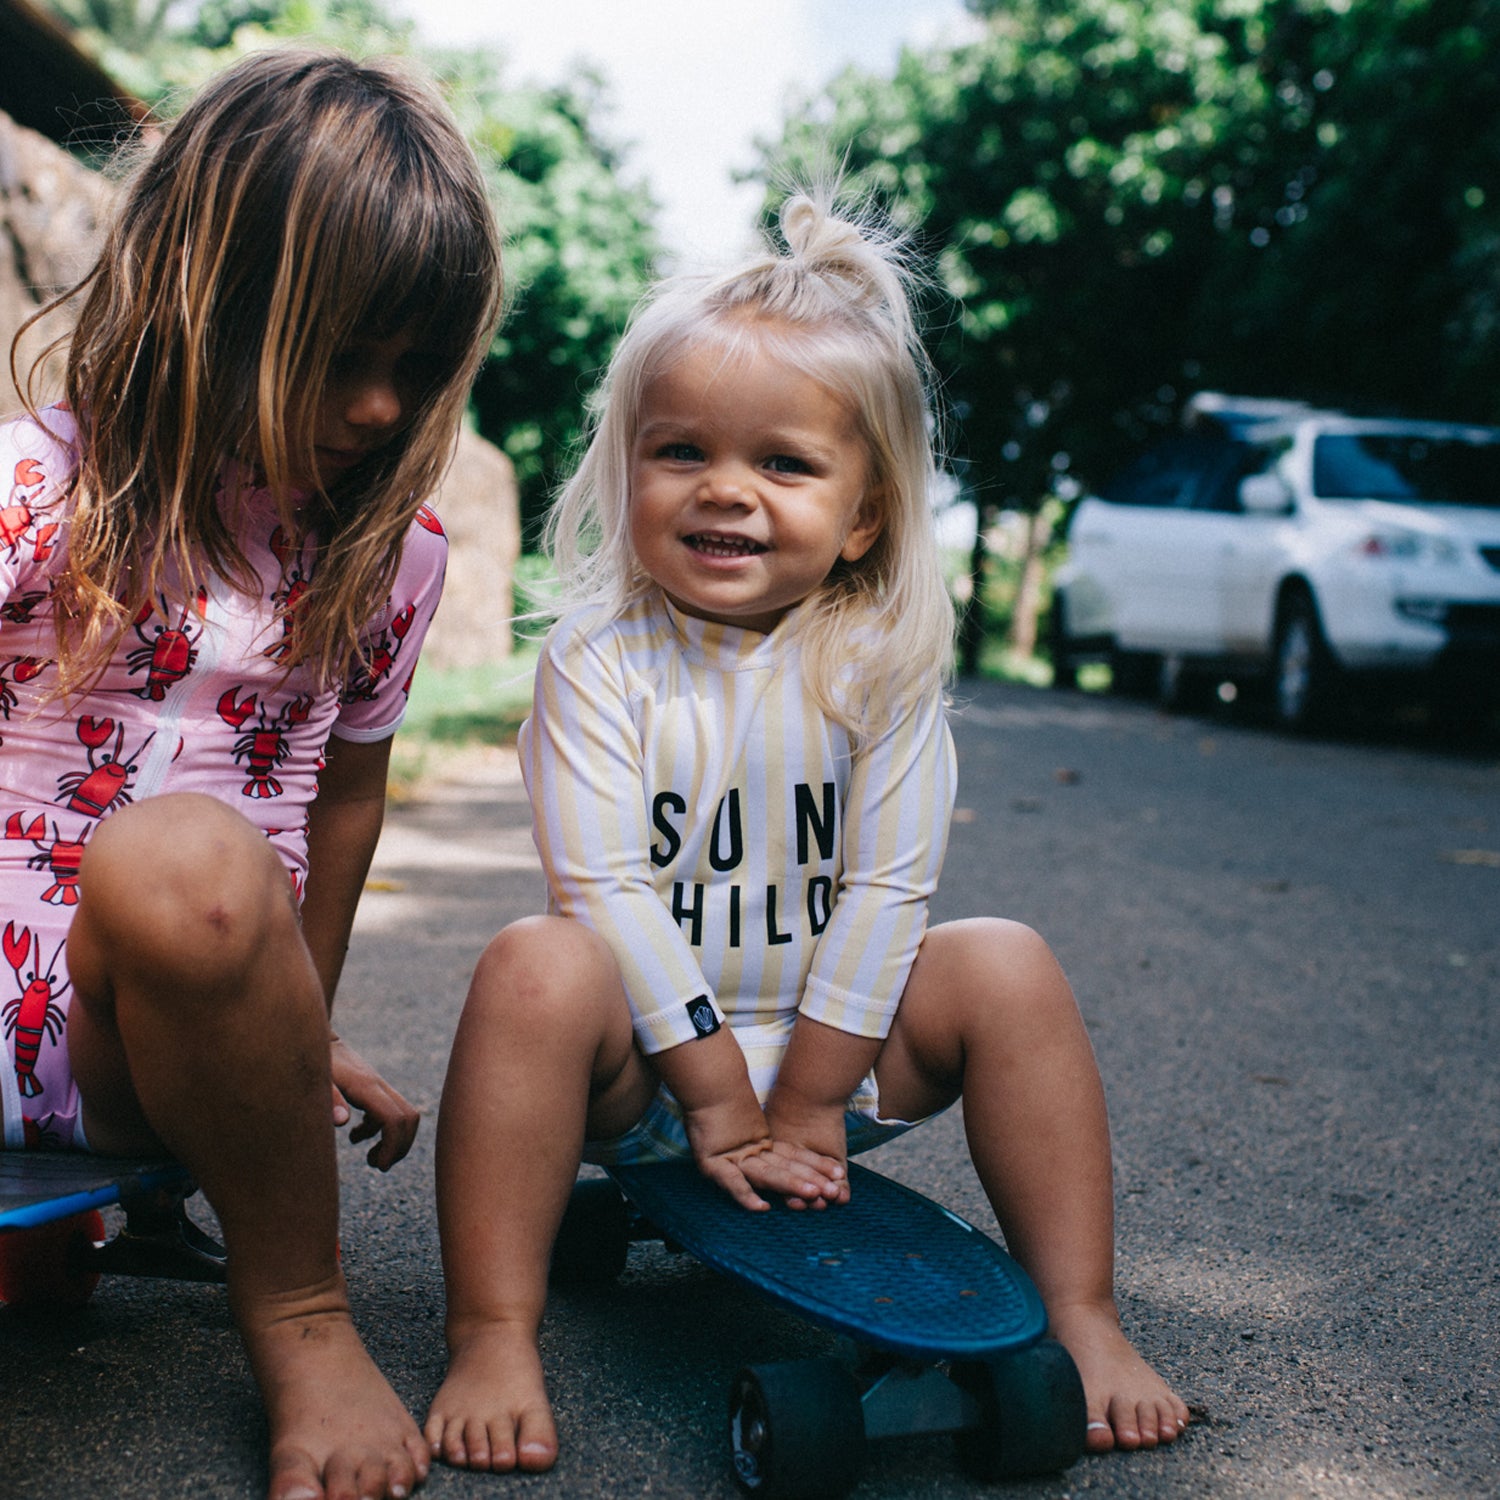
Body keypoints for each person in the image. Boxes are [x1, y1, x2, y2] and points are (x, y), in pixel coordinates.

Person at [424, 191, 1188, 1475]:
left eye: (783, 464)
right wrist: (721, 1104)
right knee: (535, 963)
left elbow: (889, 895)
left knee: (1002, 957)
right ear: (627, 471)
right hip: (653, 1081)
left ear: (869, 514)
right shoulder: (599, 662)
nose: (727, 491)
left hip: (839, 1075)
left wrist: (812, 1102)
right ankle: (492, 1330)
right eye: (681, 453)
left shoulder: (880, 665)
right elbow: (605, 886)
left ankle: (1083, 1318)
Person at [1, 48, 502, 1500]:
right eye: (342, 357)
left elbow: (344, 795)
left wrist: (292, 1040)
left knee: (186, 863)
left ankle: (299, 1314)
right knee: (179, 861)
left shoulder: (384, 565)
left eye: (412, 370)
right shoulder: (42, 490)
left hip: (146, 1005)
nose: (374, 409)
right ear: (195, 307)